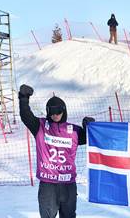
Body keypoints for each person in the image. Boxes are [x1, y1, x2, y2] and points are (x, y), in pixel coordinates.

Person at [18, 84, 95, 218]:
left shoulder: (74, 131)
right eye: (52, 112)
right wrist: (24, 98)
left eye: (58, 111)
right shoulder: (40, 127)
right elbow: (26, 116)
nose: (55, 115)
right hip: (48, 185)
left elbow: (92, 137)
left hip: (68, 185)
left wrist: (90, 126)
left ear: (64, 111)